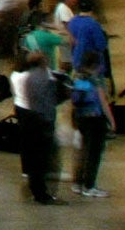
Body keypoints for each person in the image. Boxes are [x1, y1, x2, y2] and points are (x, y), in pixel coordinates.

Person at [10, 51, 63, 205]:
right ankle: (41, 192)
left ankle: (34, 181)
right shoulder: (38, 77)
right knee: (40, 157)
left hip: (26, 112)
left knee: (31, 152)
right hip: (37, 118)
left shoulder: (22, 76)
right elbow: (45, 101)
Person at [69, 58, 114, 197]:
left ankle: (77, 183)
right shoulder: (95, 81)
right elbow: (103, 103)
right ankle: (89, 186)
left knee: (83, 151)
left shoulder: (76, 79)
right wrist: (112, 121)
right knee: (94, 153)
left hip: (81, 118)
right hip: (95, 119)